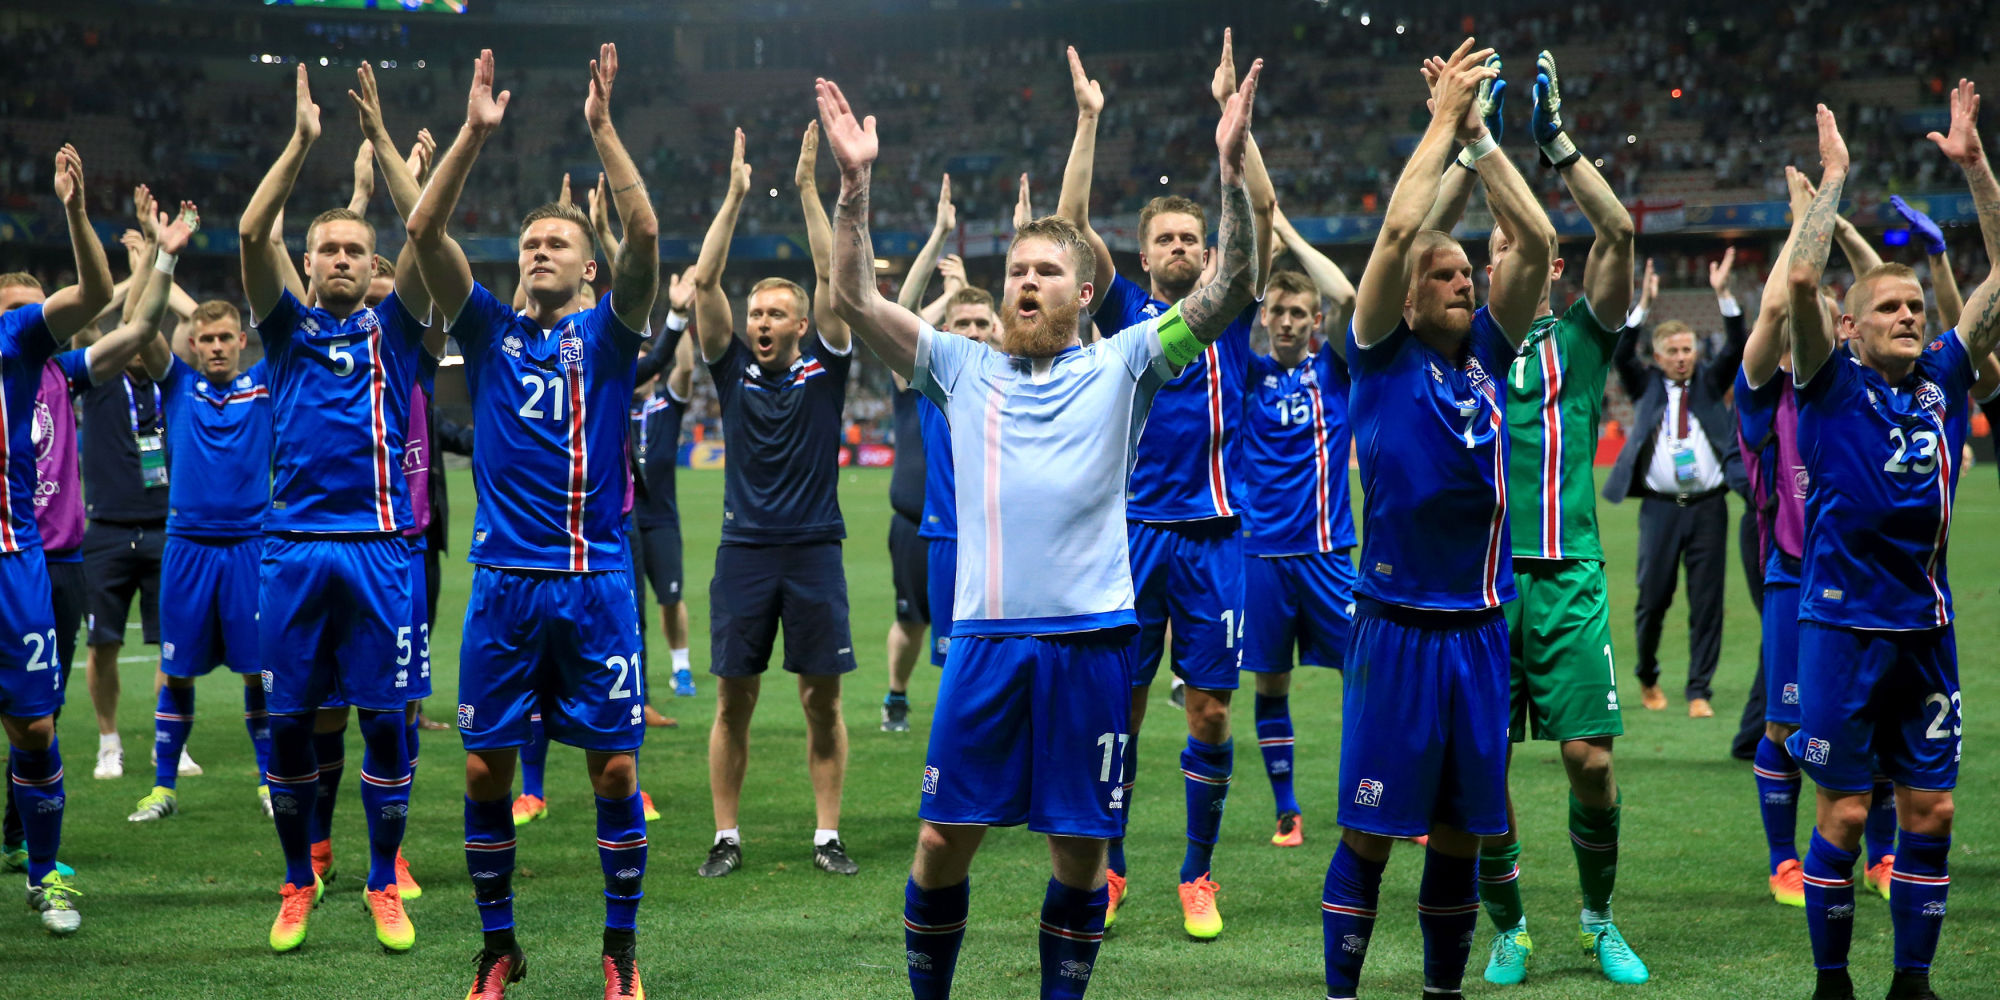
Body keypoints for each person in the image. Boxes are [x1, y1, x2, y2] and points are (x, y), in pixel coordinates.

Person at [819, 49, 1262, 995]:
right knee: (942, 840)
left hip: (1091, 643)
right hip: (983, 641)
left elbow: (1227, 294)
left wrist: (1232, 176)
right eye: (1016, 268)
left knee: (1079, 855)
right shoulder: (958, 365)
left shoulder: (1127, 363)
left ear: (1081, 292)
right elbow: (854, 298)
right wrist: (854, 188)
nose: (1024, 282)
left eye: (1045, 271)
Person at [402, 46, 661, 999]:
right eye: (530, 245)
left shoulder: (610, 335)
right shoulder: (489, 333)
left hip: (594, 584)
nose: (539, 252)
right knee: (480, 772)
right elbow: (425, 227)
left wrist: (601, 129)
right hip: (504, 582)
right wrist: (471, 134)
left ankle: (620, 950)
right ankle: (500, 944)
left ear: (589, 267)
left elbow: (643, 228)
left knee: (612, 774)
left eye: (558, 245)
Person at [1318, 40, 1558, 1000]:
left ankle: (1441, 992)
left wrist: (1484, 140)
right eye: (1449, 276)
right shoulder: (1377, 355)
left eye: (1469, 274)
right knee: (1371, 835)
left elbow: (1537, 244)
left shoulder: (1488, 359)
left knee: (1464, 830)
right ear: (1411, 299)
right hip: (1397, 628)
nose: (1467, 282)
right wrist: (1438, 125)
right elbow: (1395, 234)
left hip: (1479, 633)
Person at [1417, 52, 1649, 984]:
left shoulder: (1584, 342)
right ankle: (1509, 923)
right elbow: (1407, 248)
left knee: (1589, 762)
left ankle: (1597, 918)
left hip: (1569, 577)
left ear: (1550, 265)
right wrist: (1463, 148)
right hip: (1480, 585)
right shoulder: (1455, 346)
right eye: (1490, 251)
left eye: (1516, 248)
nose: (1498, 258)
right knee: (1486, 775)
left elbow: (1621, 228)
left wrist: (1554, 147)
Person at [1058, 34, 1275, 938]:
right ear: (1145, 256)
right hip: (1131, 534)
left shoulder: (1227, 304)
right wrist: (1088, 121)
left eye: (1193, 236)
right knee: (1124, 708)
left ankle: (1197, 873)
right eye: (1168, 239)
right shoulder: (1120, 315)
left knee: (1213, 707)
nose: (1182, 248)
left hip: (1216, 537)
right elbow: (1068, 234)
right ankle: (1108, 870)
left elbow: (1255, 214)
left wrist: (1236, 135)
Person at [1786, 89, 1999, 1000]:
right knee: (1838, 814)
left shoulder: (1943, 384)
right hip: (1840, 631)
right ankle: (1832, 980)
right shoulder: (1827, 386)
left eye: (1918, 306)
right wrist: (1836, 180)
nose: (1913, 315)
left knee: (1934, 808)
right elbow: (1800, 282)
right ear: (1852, 328)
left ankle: (1912, 983)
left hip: (1926, 628)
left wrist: (1975, 167)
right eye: (1892, 308)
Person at [238, 63, 446, 955]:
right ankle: (297, 879)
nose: (340, 260)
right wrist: (301, 144)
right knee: (288, 724)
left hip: (380, 551)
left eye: (356, 251)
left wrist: (396, 155)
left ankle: (379, 881)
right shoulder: (281, 333)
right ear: (310, 262)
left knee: (388, 721)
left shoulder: (397, 331)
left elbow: (431, 239)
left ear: (372, 267)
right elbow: (252, 229)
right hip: (291, 551)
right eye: (327, 249)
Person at [690, 123, 859, 879]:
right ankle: (727, 836)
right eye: (753, 314)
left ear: (799, 325)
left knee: (822, 703)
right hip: (746, 551)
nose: (759, 323)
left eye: (772, 314)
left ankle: (828, 837)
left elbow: (835, 280)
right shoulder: (729, 371)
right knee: (735, 702)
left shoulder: (825, 366)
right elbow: (702, 285)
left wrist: (804, 192)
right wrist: (731, 199)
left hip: (816, 548)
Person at [3, 144, 150, 934]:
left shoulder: (24, 343)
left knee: (33, 724)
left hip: (15, 558)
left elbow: (98, 294)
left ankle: (44, 874)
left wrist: (73, 209)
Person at [126, 271, 278, 823]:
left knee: (257, 672)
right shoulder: (178, 385)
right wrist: (160, 259)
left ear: (243, 341)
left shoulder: (264, 383)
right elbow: (143, 326)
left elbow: (299, 326)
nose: (216, 347)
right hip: (187, 549)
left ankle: (269, 782)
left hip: (248, 550)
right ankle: (163, 787)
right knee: (179, 669)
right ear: (193, 344)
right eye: (206, 339)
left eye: (225, 338)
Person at [1235, 218, 1355, 852]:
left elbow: (1350, 299)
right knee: (1269, 683)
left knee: (1365, 677)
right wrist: (1261, 258)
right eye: (1277, 310)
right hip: (1263, 556)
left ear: (1314, 321)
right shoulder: (1246, 375)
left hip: (1330, 552)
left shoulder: (1333, 371)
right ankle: (1287, 809)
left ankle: (1374, 799)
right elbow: (1232, 295)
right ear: (1263, 318)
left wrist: (1288, 235)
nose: (1286, 321)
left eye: (1298, 312)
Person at [1602, 251, 1747, 716]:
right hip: (1661, 508)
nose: (1683, 358)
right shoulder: (1644, 385)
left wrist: (1724, 295)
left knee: (1707, 603)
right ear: (1659, 356)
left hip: (1708, 506)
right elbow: (1621, 351)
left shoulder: (1709, 382)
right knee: (1653, 599)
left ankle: (1698, 689)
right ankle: (1647, 676)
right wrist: (1643, 304)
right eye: (1674, 352)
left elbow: (1737, 346)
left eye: (1688, 350)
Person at [881, 174, 956, 733]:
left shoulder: (988, 376)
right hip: (913, 522)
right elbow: (900, 315)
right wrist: (939, 241)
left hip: (970, 530)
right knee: (910, 622)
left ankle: (967, 718)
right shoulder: (921, 379)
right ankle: (897, 697)